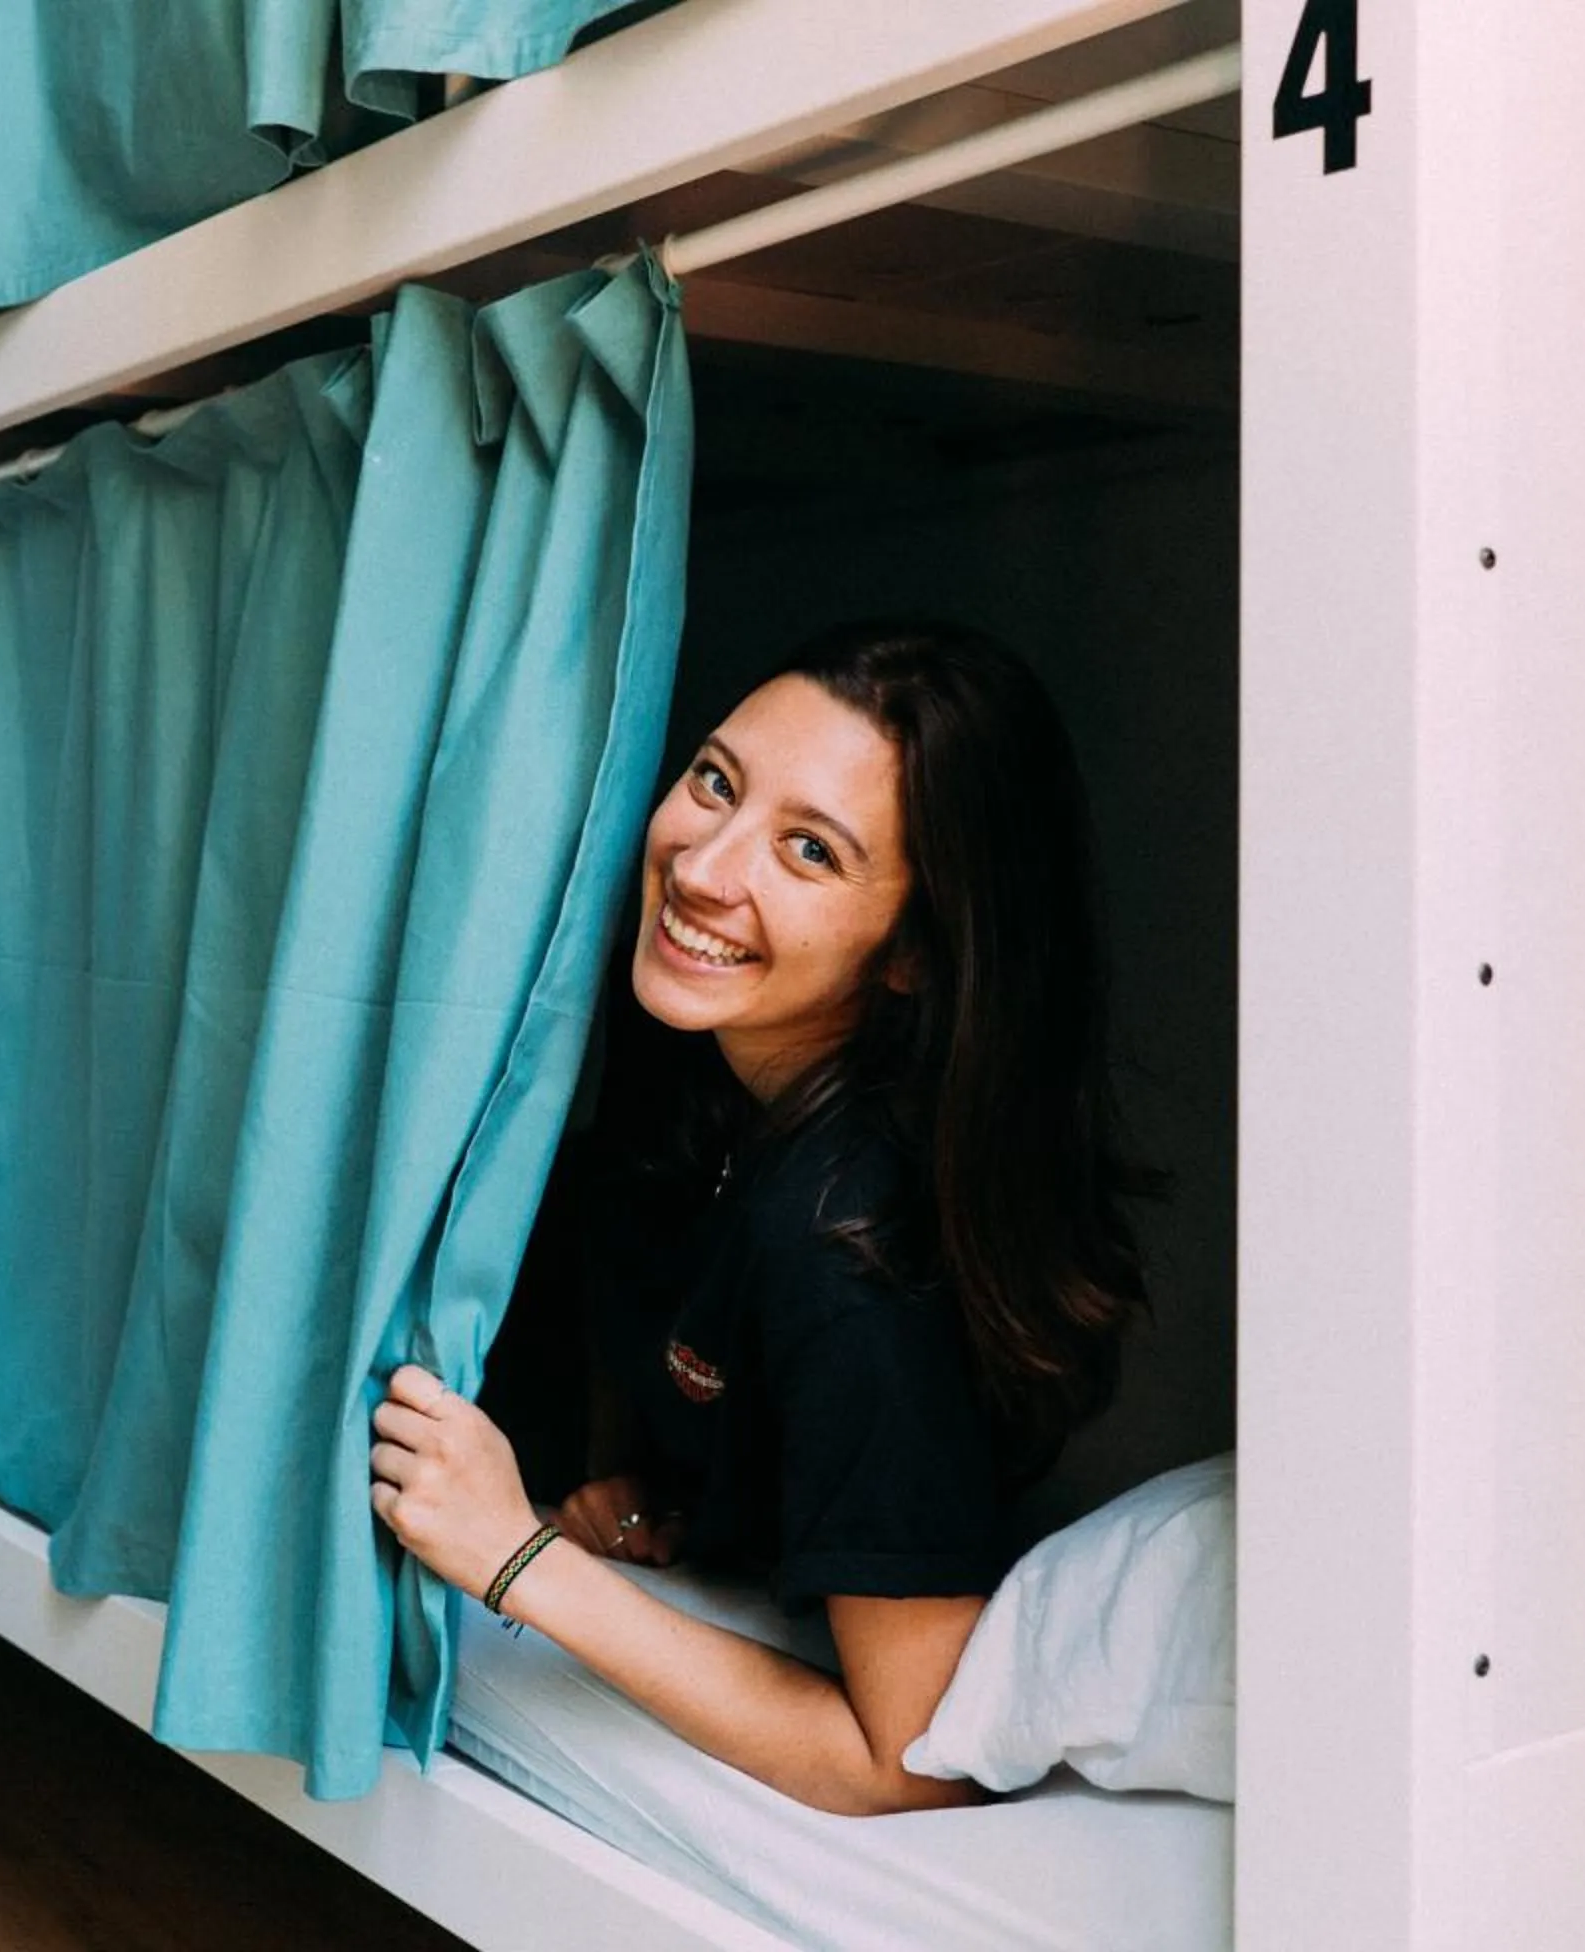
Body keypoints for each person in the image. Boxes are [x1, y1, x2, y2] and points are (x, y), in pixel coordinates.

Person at [369, 619, 1152, 1816]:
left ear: (912, 955)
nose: (703, 865)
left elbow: (911, 1760)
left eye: (809, 851)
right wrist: (649, 1486)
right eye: (716, 782)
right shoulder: (701, 1055)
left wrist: (512, 1554)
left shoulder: (858, 1244)